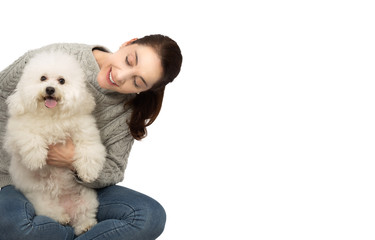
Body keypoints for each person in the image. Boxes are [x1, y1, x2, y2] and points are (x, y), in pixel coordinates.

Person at [0, 34, 182, 240]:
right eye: (129, 60)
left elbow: (113, 169)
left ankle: (56, 232)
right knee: (15, 224)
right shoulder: (53, 58)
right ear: (128, 43)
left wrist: (71, 161)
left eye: (137, 82)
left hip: (78, 187)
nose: (122, 76)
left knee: (150, 216)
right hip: (11, 179)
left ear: (144, 91)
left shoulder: (129, 110)